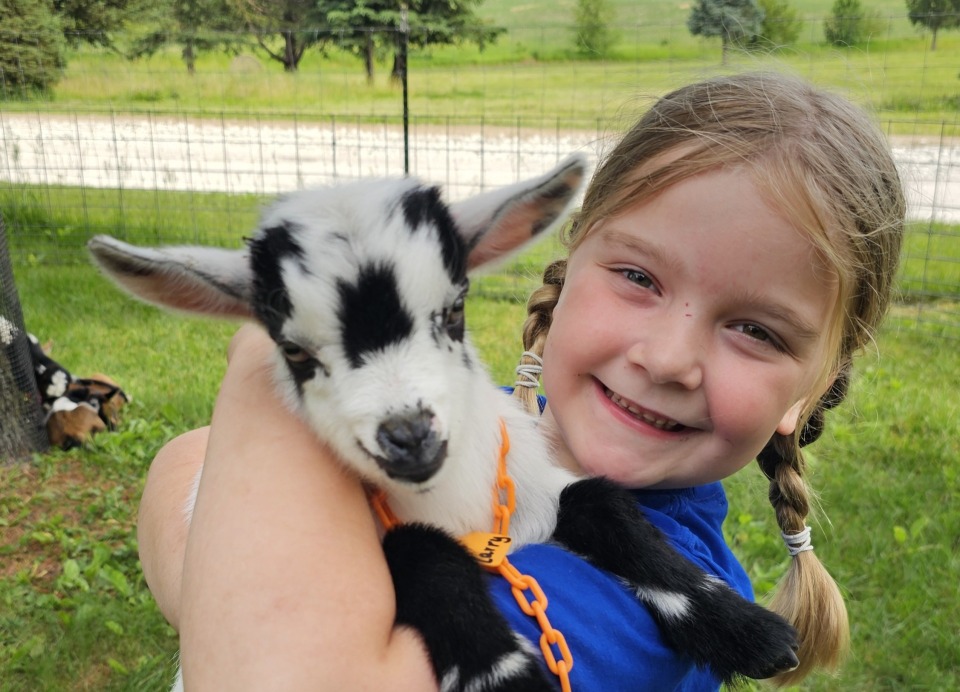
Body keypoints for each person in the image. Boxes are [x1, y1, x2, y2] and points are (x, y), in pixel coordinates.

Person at [138, 71, 905, 690]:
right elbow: (178, 468)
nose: (668, 359)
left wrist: (268, 352)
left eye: (756, 330)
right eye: (637, 276)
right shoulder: (491, 432)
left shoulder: (624, 612)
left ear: (811, 389)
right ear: (564, 269)